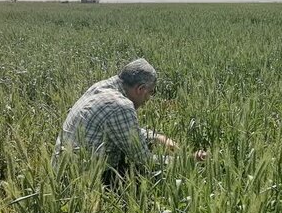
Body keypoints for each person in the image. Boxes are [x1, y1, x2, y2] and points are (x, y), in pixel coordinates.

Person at [53, 58, 205, 184]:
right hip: (82, 180)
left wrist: (158, 137)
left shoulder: (101, 87)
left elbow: (121, 128)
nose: (149, 99)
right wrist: (187, 160)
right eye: (151, 92)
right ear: (140, 89)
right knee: (143, 174)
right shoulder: (121, 106)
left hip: (61, 170)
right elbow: (143, 159)